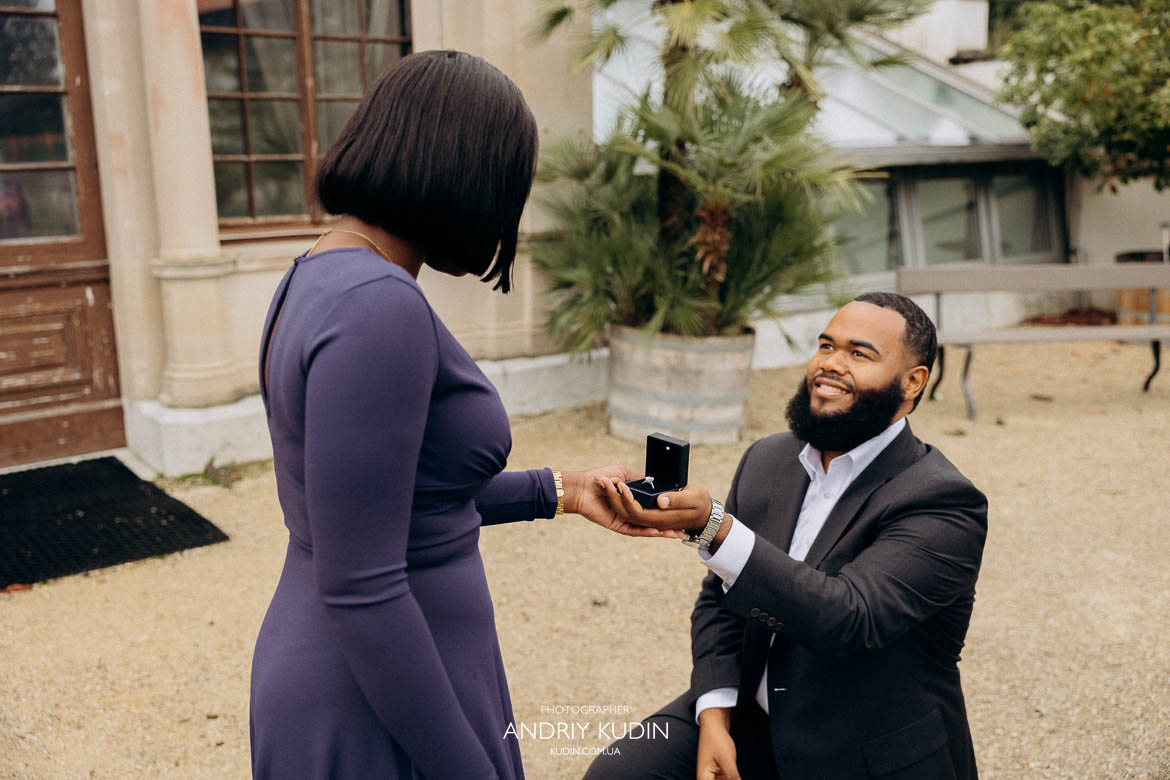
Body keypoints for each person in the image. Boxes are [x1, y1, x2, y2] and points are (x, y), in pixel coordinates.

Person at [249, 50, 671, 780]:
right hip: (382, 694)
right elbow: (363, 588)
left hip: (376, 669)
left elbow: (392, 502)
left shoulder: (319, 271)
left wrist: (562, 490)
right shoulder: (379, 307)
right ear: (466, 174)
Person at [588, 292, 989, 779]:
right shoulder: (769, 459)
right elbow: (720, 597)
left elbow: (849, 617)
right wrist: (715, 716)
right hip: (749, 716)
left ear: (913, 382)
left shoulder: (943, 501)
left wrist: (715, 527)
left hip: (861, 751)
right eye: (826, 345)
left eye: (859, 354)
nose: (830, 363)